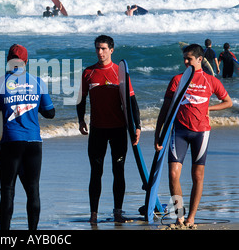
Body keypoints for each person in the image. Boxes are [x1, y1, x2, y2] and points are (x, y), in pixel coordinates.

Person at [154, 44, 232, 228]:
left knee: (197, 175)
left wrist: (208, 108)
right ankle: (179, 215)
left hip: (201, 132)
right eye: (184, 58)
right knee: (173, 175)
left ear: (199, 59)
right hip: (179, 132)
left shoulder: (210, 81)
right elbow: (165, 110)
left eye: (189, 58)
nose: (185, 62)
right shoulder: (177, 80)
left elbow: (227, 102)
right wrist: (159, 134)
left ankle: (191, 217)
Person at [0, 44, 55, 230]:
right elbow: (50, 113)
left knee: (7, 190)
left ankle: (4, 235)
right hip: (33, 143)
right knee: (33, 191)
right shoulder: (38, 82)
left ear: (8, 61)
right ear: (26, 62)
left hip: (11, 143)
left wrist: (2, 104)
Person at [76, 35, 141, 224]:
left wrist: (137, 126)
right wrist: (81, 119)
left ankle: (118, 212)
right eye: (97, 48)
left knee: (118, 170)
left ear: (111, 50)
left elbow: (131, 102)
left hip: (118, 129)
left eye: (103, 48)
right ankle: (93, 214)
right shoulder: (88, 72)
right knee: (96, 172)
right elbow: (81, 99)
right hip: (97, 130)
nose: (100, 52)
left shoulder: (119, 73)